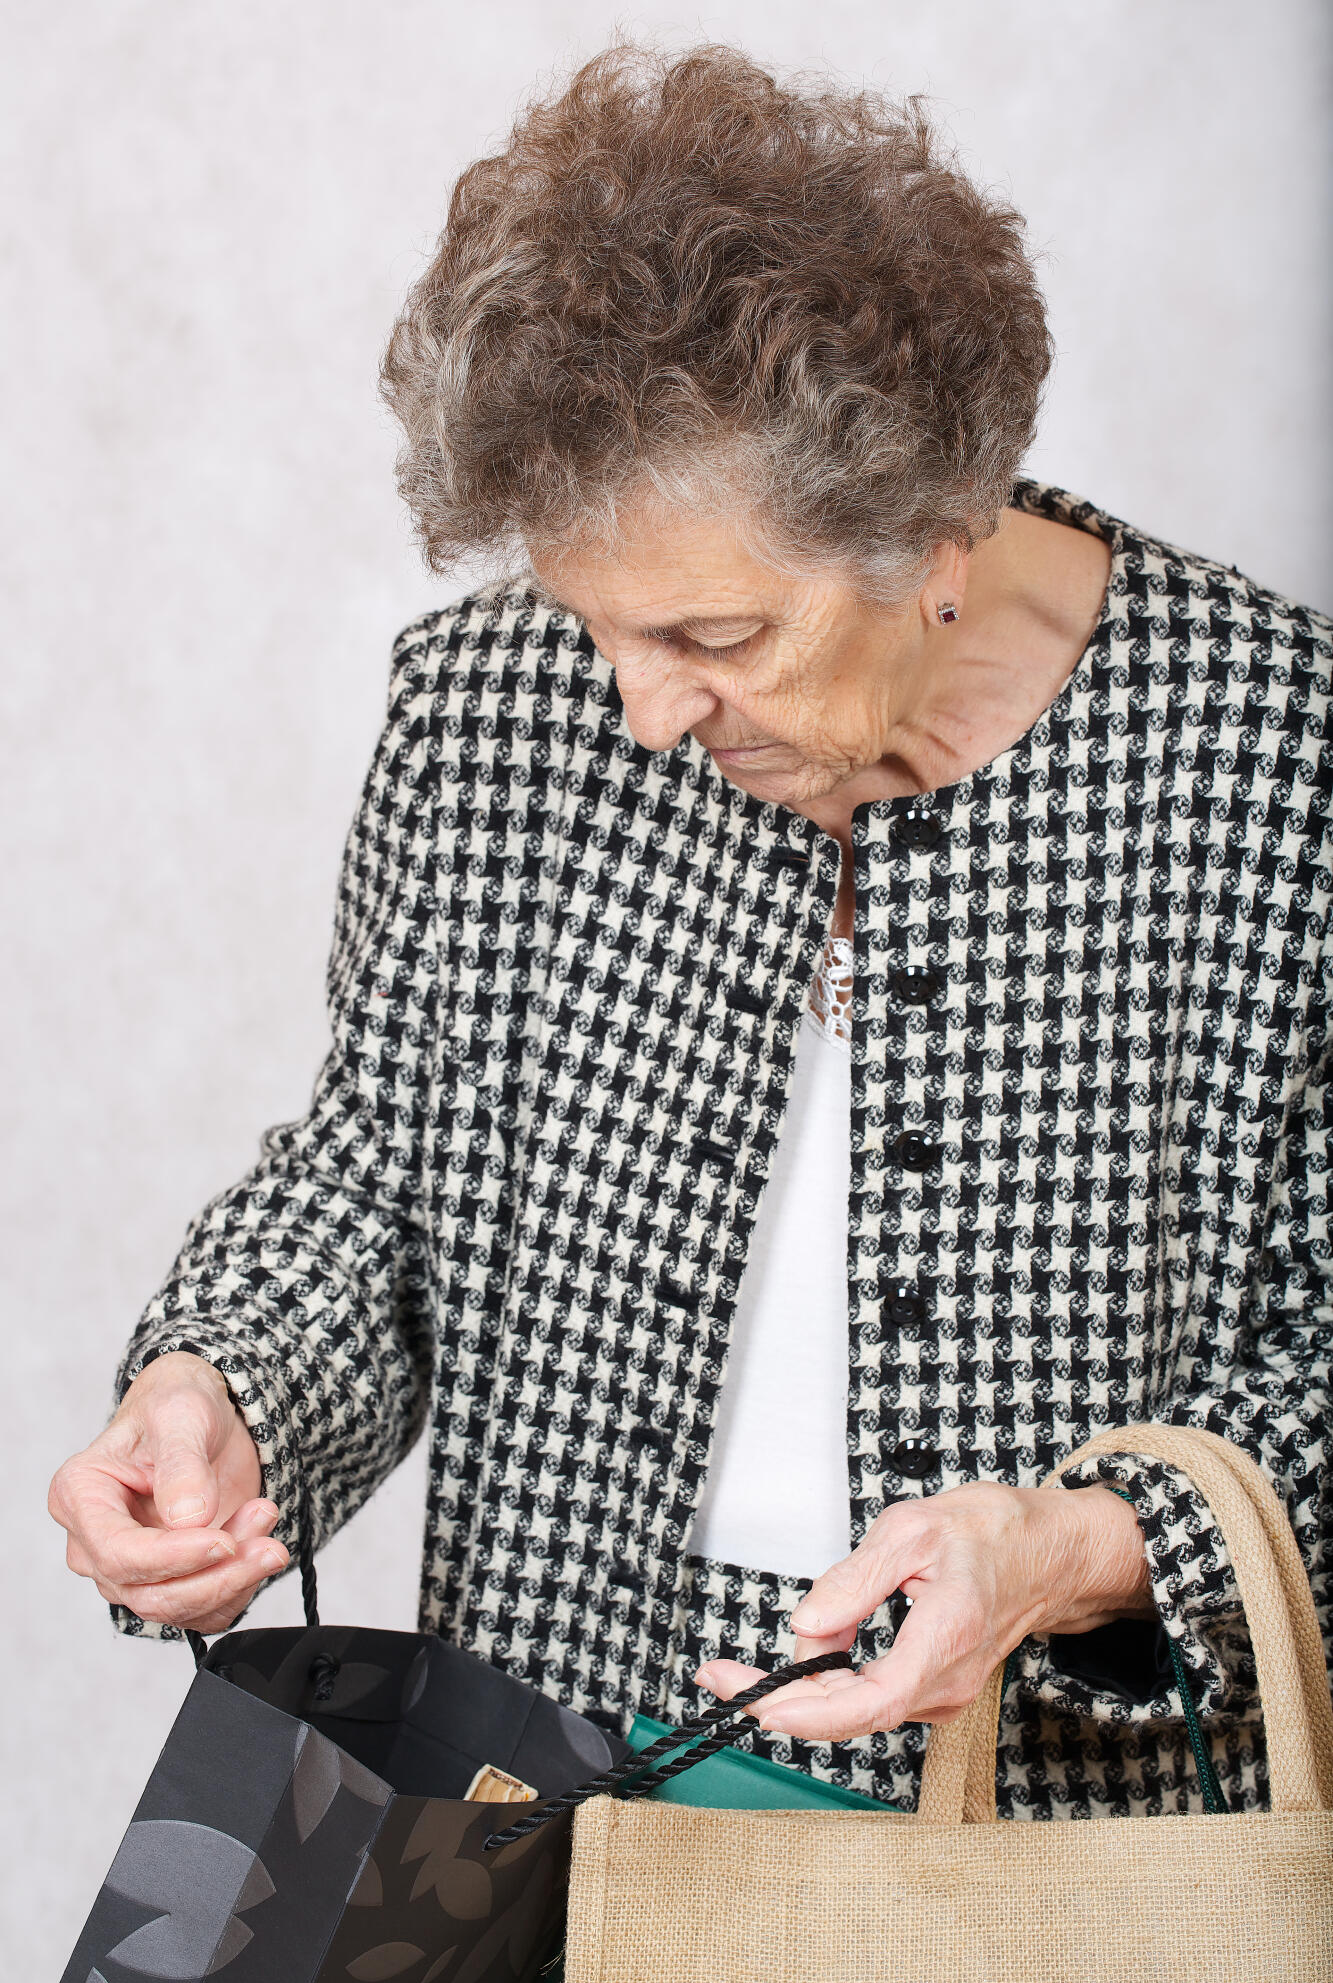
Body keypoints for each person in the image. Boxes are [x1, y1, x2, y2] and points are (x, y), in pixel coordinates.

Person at [49, 42, 1331, 1817]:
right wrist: (220, 1384)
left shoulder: (1272, 757)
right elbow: (378, 1182)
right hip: (545, 1785)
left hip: (1051, 1832)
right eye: (599, 630)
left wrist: (1091, 1549)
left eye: (716, 640)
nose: (644, 713)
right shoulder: (488, 712)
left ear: (937, 523)